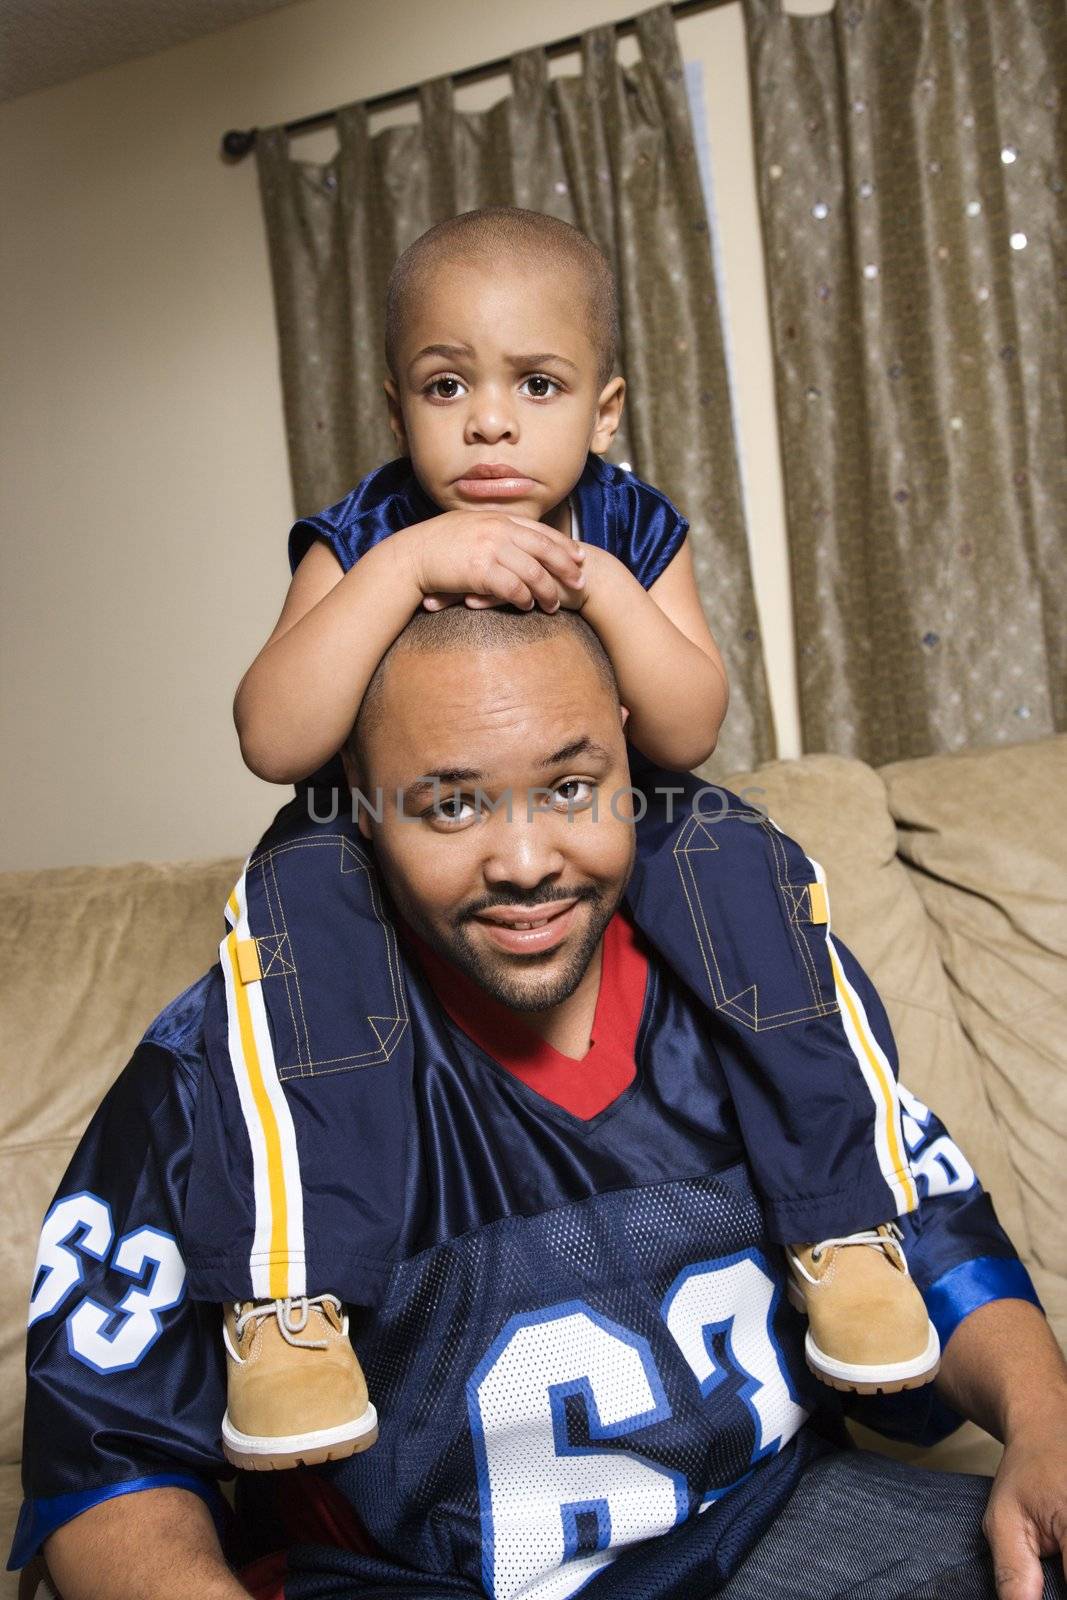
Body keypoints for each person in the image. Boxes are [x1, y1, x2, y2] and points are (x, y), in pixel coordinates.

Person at [13, 608, 1067, 1600]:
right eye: (451, 803)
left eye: (571, 788)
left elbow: (927, 1236)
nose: (525, 864)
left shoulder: (760, 989)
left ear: (628, 753)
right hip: (407, 1579)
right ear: (360, 798)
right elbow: (107, 1471)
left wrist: (1044, 1424)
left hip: (763, 1521)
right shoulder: (229, 1066)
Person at [200, 208, 938, 1470]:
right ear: (397, 408)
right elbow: (273, 734)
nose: (489, 420)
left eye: (533, 385)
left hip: (611, 814)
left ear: (600, 413)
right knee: (294, 885)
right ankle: (289, 1301)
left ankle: (843, 1226)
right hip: (386, 838)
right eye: (448, 385)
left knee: (733, 851)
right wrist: (403, 568)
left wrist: (597, 581)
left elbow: (690, 721)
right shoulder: (365, 532)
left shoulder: (630, 526)